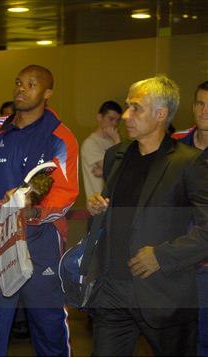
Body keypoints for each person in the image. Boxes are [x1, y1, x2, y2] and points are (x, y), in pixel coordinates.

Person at [87, 75, 208, 355]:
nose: (127, 115)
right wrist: (98, 210)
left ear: (161, 114)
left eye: (136, 108)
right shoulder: (115, 156)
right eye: (128, 107)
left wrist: (161, 256)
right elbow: (111, 217)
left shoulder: (188, 162)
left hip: (163, 293)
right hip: (112, 290)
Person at [0, 64, 79, 356]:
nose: (21, 88)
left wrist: (35, 213)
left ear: (47, 93)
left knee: (47, 324)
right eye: (19, 82)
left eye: (31, 84)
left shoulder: (60, 136)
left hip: (39, 238)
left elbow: (67, 193)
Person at [171, 80, 208, 355]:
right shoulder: (174, 144)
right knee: (175, 339)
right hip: (174, 260)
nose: (204, 111)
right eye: (200, 104)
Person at [81, 101, 122, 199]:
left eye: (117, 120)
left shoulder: (112, 141)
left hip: (112, 200)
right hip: (98, 203)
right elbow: (116, 168)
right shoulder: (90, 143)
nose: (114, 124)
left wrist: (104, 171)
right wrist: (117, 140)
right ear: (100, 117)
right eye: (111, 119)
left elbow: (119, 169)